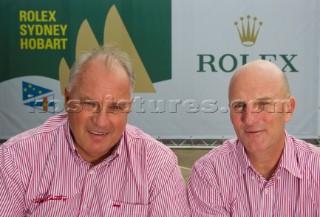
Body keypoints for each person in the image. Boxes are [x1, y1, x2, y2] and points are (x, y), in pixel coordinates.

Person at [0, 45, 190, 216]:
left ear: (128, 107)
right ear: (68, 100)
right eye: (90, 104)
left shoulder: (158, 164)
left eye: (115, 107)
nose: (101, 122)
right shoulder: (16, 158)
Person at [187, 60, 320, 216]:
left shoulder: (316, 168)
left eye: (263, 104)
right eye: (239, 106)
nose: (249, 119)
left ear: (288, 109)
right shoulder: (210, 173)